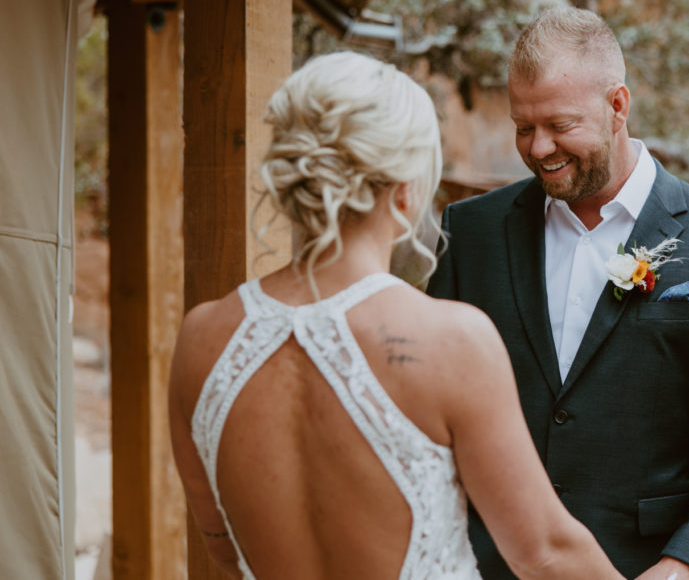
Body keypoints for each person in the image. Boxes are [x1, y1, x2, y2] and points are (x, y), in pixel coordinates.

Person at [168, 51, 624, 580]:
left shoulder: (200, 339)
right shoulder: (451, 341)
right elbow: (545, 552)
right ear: (407, 191)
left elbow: (222, 550)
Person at [427, 7, 689, 580]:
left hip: (641, 565)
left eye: (560, 124)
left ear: (618, 106)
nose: (539, 147)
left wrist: (686, 567)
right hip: (485, 565)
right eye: (523, 126)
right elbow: (428, 411)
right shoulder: (469, 233)